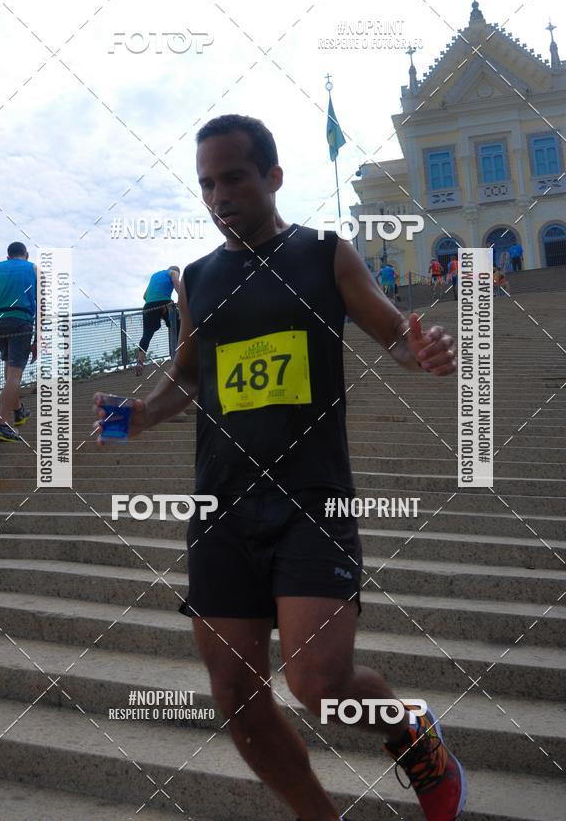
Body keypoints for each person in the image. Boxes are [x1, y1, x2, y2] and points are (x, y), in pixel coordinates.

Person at [94, 114, 465, 821]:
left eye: (233, 177)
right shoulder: (198, 278)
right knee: (236, 696)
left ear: (272, 176)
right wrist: (141, 411)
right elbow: (189, 375)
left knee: (321, 683)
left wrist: (420, 348)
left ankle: (410, 732)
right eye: (206, 183)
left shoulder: (325, 253)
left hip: (311, 502)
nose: (219, 194)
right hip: (222, 509)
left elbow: (392, 333)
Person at [0, 242, 37, 442]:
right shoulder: (34, 269)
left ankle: (19, 410)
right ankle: (1, 425)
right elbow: (44, 307)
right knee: (15, 374)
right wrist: (38, 339)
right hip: (21, 322)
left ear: (8, 256)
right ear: (26, 255)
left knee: (9, 369)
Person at [135, 266, 181, 375]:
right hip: (165, 303)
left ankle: (140, 362)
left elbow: (145, 296)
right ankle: (180, 356)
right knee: (179, 325)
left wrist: (157, 308)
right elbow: (177, 285)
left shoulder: (154, 275)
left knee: (147, 334)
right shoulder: (173, 272)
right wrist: (182, 301)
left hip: (149, 306)